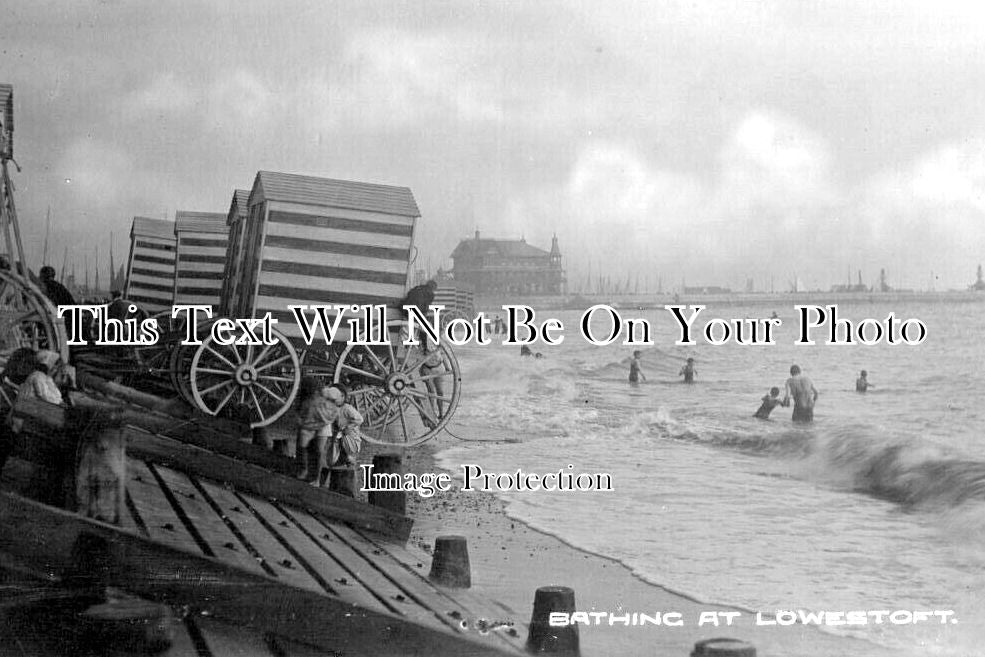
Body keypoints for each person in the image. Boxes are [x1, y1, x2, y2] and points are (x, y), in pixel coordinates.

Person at [295, 383, 339, 483]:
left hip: (321, 425)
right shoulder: (308, 401)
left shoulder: (323, 396)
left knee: (318, 451)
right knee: (310, 449)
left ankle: (317, 479)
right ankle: (308, 473)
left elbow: (333, 409)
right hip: (312, 425)